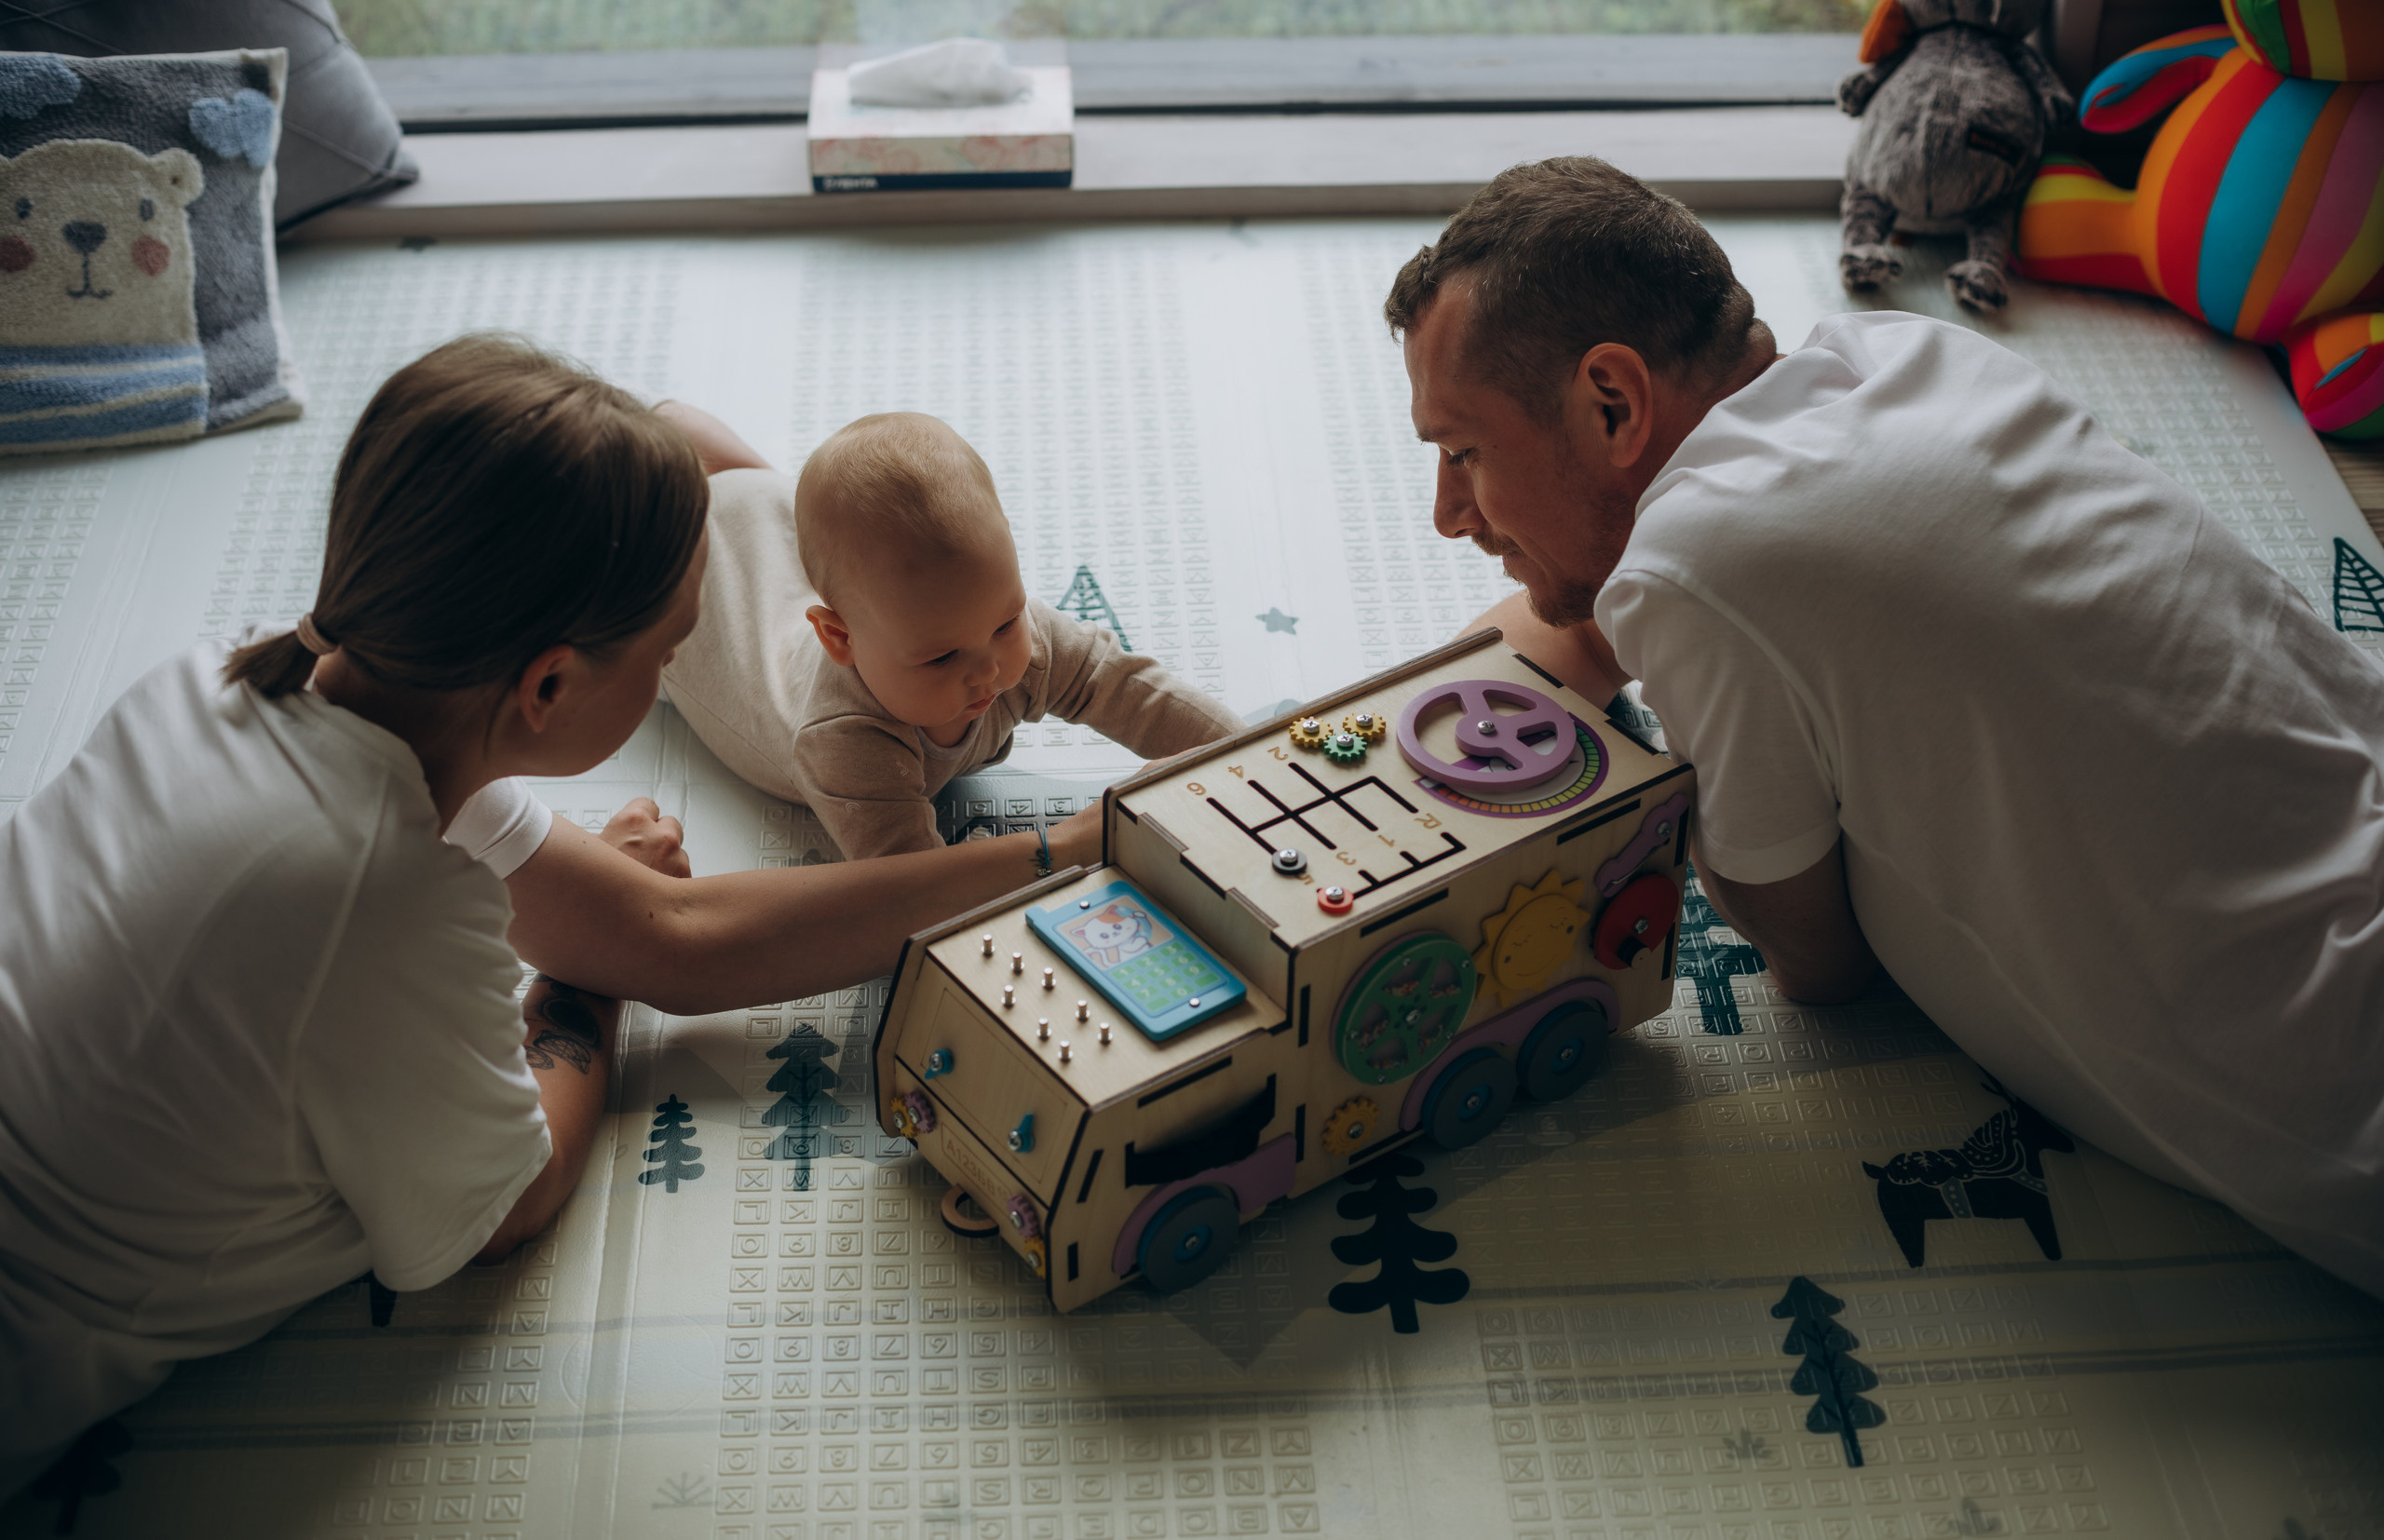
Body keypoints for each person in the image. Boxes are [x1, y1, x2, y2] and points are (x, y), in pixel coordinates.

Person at [0, 337, 1101, 1496]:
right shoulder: (381, 900)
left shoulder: (230, 681)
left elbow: (663, 933)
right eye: (673, 649)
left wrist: (1050, 852)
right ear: (548, 689)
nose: (684, 663)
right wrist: (580, 988)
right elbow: (508, 1204)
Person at [1387, 155, 2384, 1296]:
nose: (1446, 514)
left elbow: (1818, 963)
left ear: (1612, 404)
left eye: (1462, 454)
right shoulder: (1910, 359)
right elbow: (1598, 617)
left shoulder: (1697, 569)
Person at [651, 409, 1240, 859]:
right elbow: (915, 887)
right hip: (696, 594)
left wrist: (1252, 759)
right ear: (841, 640)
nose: (987, 669)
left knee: (783, 503)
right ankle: (657, 434)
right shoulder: (846, 743)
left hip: (769, 517)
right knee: (622, 553)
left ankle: (680, 429)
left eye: (1006, 622)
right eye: (940, 658)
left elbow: (1129, 689)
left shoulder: (990, 622)